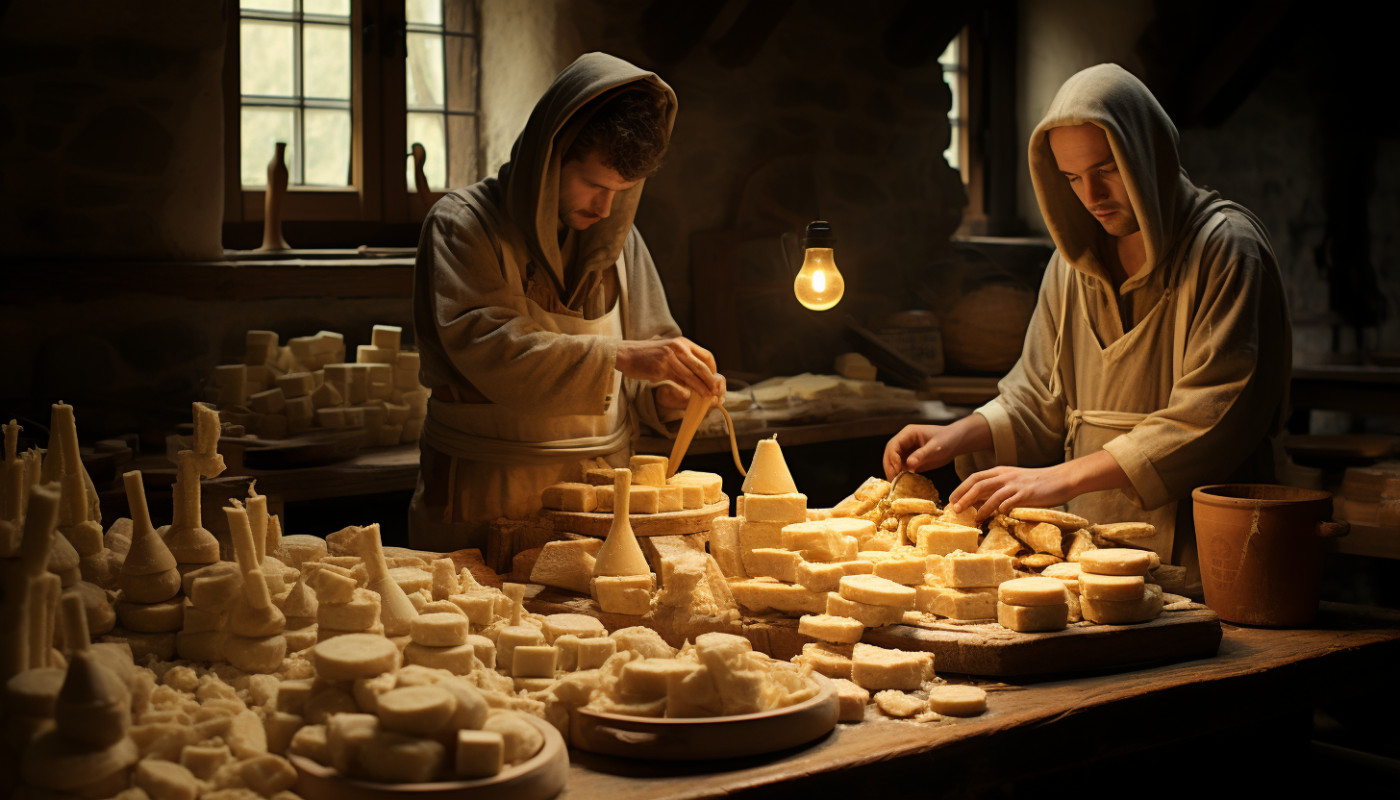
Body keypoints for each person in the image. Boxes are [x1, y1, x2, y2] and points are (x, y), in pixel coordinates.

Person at [884, 63, 1290, 585]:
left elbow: (1209, 418)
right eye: (1072, 179)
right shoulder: (1072, 263)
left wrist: (1055, 479)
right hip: (1092, 550)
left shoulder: (1227, 249)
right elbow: (1035, 397)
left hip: (1206, 550)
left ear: (1149, 153)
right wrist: (955, 435)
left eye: (1107, 169)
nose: (1092, 196)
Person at [410, 52, 723, 552]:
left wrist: (665, 395)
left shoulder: (619, 237)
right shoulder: (462, 224)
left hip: (602, 504)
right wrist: (621, 356)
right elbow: (487, 347)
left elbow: (650, 355)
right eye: (594, 185)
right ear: (548, 157)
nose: (604, 207)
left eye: (621, 192)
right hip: (487, 492)